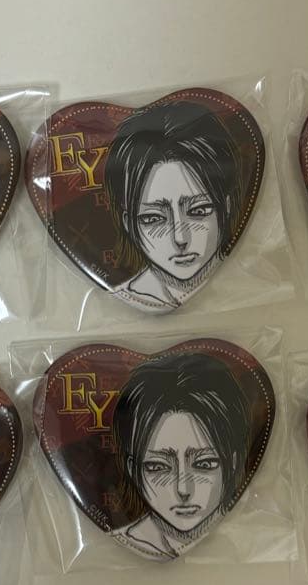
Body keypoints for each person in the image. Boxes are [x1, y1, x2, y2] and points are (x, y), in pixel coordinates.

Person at [104, 100, 243, 311]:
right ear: (127, 223)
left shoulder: (247, 282)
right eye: (153, 218)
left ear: (228, 205)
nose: (180, 239)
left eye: (198, 211)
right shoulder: (133, 294)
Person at [109, 352, 250, 559]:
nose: (183, 490)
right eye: (158, 467)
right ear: (132, 469)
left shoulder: (255, 537)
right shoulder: (122, 544)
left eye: (204, 464)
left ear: (234, 462)